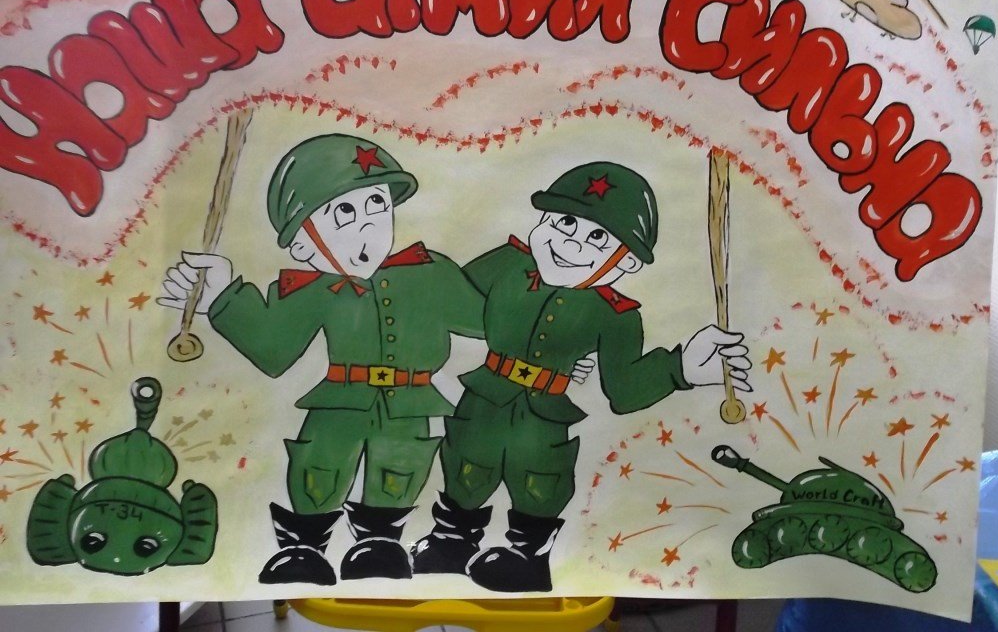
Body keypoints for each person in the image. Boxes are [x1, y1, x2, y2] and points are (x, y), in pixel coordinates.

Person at [158, 134, 485, 585]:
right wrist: (223, 296)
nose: (367, 223)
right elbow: (272, 349)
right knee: (319, 468)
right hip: (339, 402)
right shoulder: (312, 291)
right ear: (303, 245)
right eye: (343, 211)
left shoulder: (432, 274)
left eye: (376, 203)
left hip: (411, 404)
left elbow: (492, 323)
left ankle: (381, 544)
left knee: (401, 468)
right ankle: (305, 548)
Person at [411, 161, 752, 592]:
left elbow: (624, 390)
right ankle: (451, 540)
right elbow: (455, 303)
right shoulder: (507, 265)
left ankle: (527, 557)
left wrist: (680, 367)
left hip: (545, 412)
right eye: (566, 222)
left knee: (540, 480)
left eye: (597, 237)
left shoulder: (616, 316)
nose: (571, 242)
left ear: (627, 262)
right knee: (466, 464)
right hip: (484, 398)